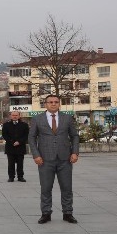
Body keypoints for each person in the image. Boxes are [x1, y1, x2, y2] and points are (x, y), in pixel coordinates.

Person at [28, 95, 80, 224]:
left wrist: (75, 152)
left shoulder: (67, 118)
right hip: (45, 159)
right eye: (50, 102)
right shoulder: (37, 119)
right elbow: (31, 138)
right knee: (46, 188)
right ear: (45, 104)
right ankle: (46, 213)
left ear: (59, 104)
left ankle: (68, 213)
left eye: (56, 102)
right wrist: (36, 155)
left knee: (67, 188)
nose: (53, 104)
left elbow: (74, 136)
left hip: (65, 159)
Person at [2, 111, 30, 182]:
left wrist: (19, 142)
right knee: (10, 163)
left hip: (20, 147)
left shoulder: (24, 125)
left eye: (16, 115)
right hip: (10, 147)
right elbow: (4, 135)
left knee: (20, 163)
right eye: (13, 115)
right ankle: (11, 177)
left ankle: (20, 177)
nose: (15, 116)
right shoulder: (6, 125)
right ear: (10, 116)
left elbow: (26, 135)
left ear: (19, 116)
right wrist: (12, 142)